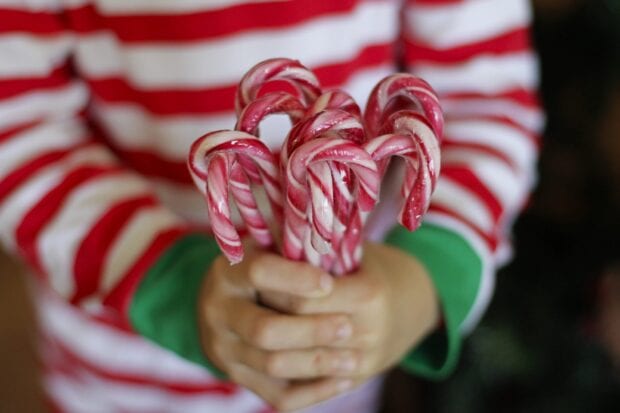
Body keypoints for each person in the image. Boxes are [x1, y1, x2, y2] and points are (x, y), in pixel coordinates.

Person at [0, 0, 542, 411]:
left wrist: (423, 274)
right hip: (122, 374)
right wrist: (171, 282)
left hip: (340, 356)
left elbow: (486, 105)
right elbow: (17, 129)